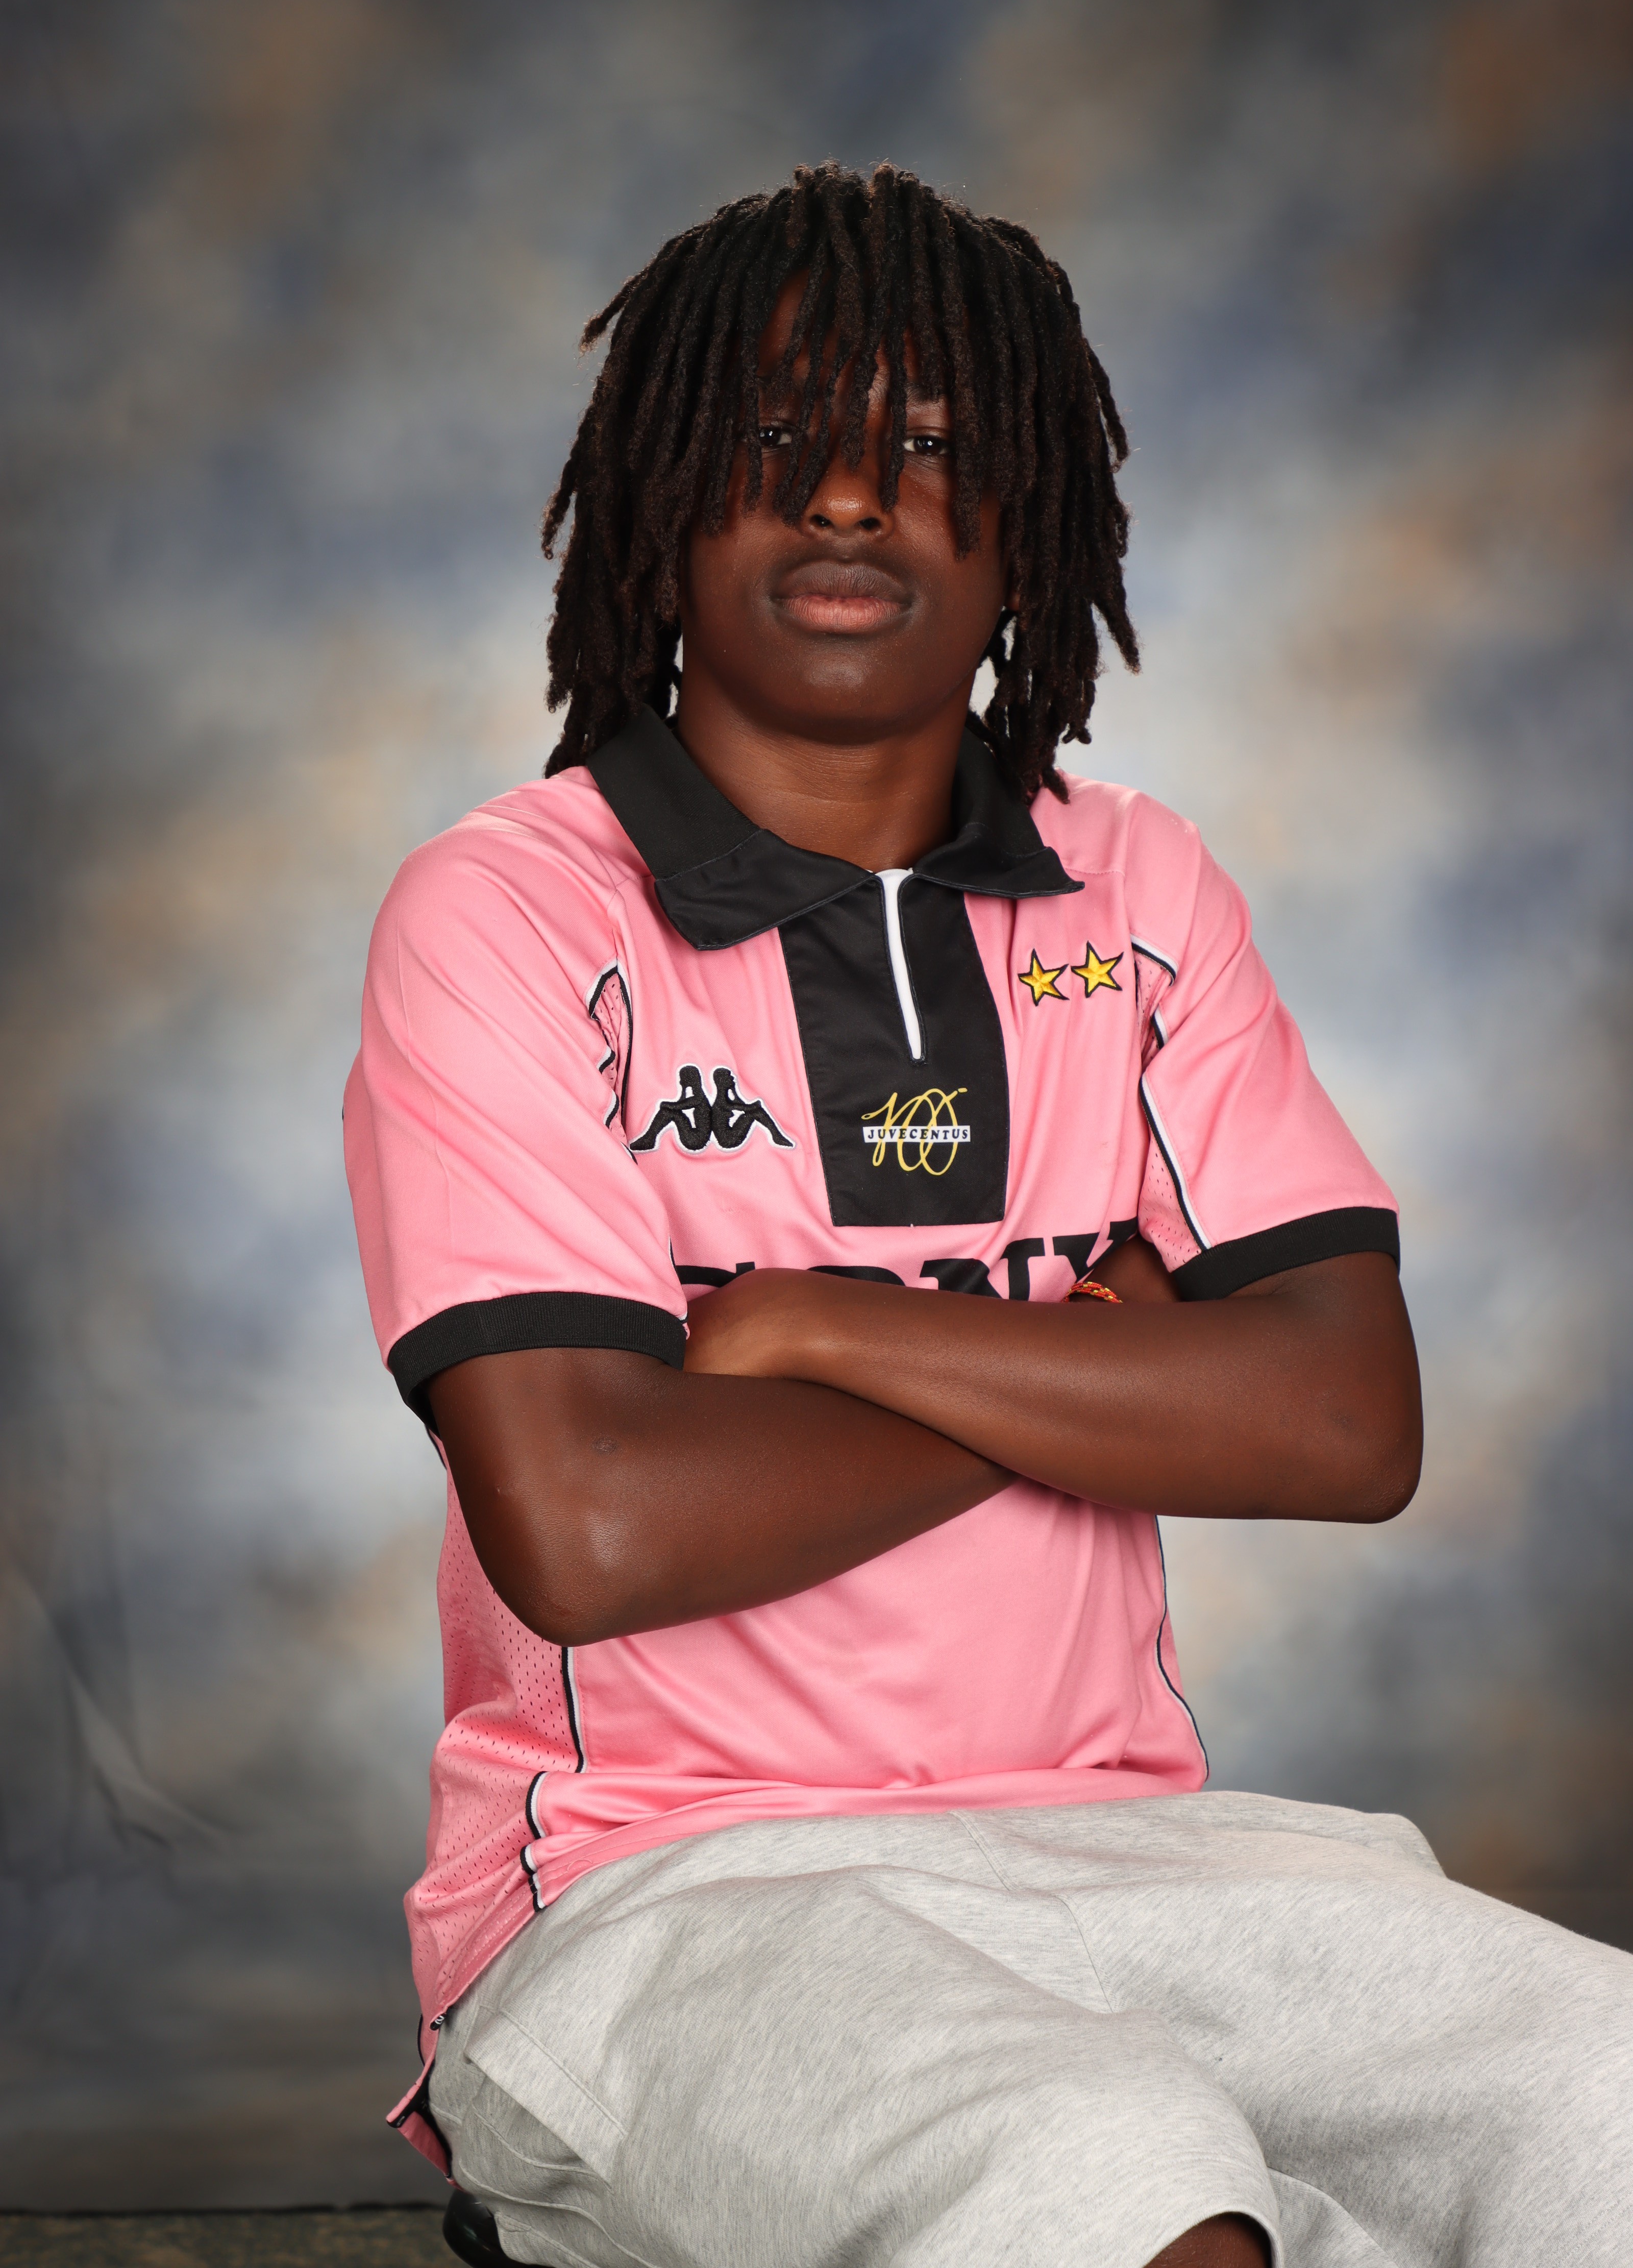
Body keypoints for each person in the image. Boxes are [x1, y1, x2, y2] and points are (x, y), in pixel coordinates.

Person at [343, 163, 1630, 2268]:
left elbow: (1340, 1423)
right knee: (1119, 2183)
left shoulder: (1137, 887)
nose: (852, 495)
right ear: (660, 501)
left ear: (1030, 520)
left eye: (934, 444)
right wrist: (1111, 1370)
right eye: (777, 436)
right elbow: (592, 1529)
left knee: (1607, 2095)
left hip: (1138, 1856)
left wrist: (832, 1325)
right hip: (669, 1891)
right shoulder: (512, 912)